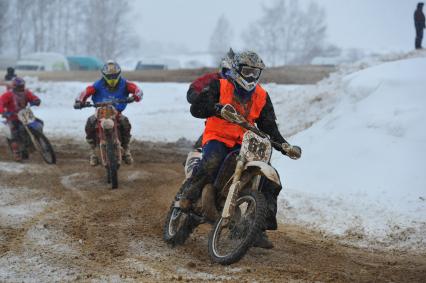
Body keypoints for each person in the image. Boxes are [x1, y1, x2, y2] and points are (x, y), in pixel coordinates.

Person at [180, 51, 301, 249]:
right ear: (237, 70)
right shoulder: (220, 85)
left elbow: (269, 126)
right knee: (212, 160)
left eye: (256, 72)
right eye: (247, 71)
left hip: (245, 141)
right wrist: (216, 108)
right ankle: (189, 196)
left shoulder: (262, 95)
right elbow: (196, 108)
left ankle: (258, 228)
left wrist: (285, 146)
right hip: (218, 136)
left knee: (270, 179)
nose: (251, 77)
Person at [73, 60, 142, 166]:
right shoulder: (98, 84)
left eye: (114, 75)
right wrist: (79, 101)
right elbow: (85, 92)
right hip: (100, 112)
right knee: (90, 123)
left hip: (116, 112)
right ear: (104, 75)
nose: (112, 78)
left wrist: (135, 97)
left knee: (125, 123)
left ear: (119, 74)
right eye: (109, 76)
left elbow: (138, 90)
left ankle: (127, 150)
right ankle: (93, 152)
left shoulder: (125, 84)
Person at [0, 77, 41, 161]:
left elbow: (33, 97)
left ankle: (39, 140)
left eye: (22, 86)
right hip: (12, 116)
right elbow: (0, 103)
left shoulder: (26, 92)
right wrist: (3, 112)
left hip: (25, 114)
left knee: (39, 124)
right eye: (19, 87)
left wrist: (36, 100)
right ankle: (16, 153)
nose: (21, 88)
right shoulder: (8, 95)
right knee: (15, 135)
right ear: (14, 87)